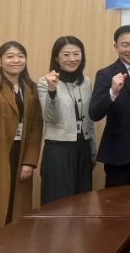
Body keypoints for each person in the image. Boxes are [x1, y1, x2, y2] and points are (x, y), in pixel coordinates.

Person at [0, 42, 43, 238]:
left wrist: (30, 161)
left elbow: (36, 126)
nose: (16, 60)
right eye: (10, 56)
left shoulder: (31, 89)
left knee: (15, 206)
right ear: (0, 59)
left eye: (20, 56)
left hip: (20, 151)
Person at [89, 25, 130, 187]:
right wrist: (112, 92)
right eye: (125, 45)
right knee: (116, 200)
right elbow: (94, 113)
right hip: (119, 152)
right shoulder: (106, 74)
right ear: (116, 46)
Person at [37, 36, 95, 204]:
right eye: (66, 54)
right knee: (58, 203)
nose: (72, 59)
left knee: (82, 201)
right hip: (58, 149)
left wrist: (92, 150)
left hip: (83, 147)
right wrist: (52, 91)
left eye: (76, 54)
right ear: (56, 58)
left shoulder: (87, 82)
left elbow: (89, 120)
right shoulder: (45, 82)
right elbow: (49, 117)